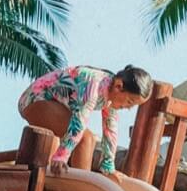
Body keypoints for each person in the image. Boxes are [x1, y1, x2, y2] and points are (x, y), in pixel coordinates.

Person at [19, 65, 154, 178]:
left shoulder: (110, 90)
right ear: (119, 86)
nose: (129, 108)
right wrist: (62, 156)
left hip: (56, 105)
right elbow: (79, 121)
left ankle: (80, 184)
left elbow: (110, 128)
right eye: (130, 102)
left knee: (86, 138)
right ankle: (82, 188)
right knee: (85, 138)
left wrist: (108, 166)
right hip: (34, 101)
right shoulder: (93, 85)